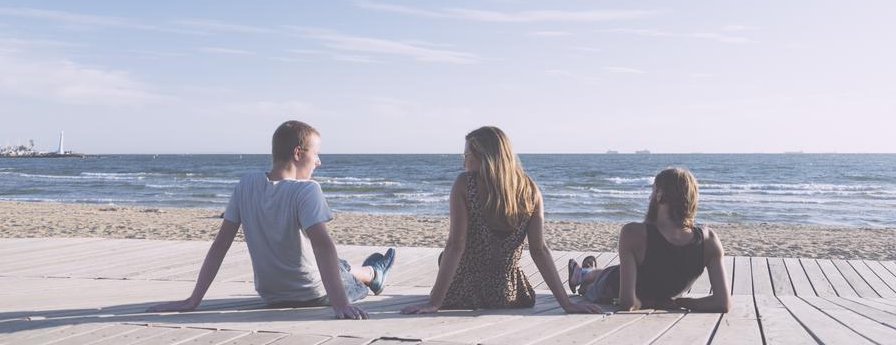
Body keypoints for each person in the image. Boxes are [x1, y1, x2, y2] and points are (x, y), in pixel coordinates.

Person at [148, 120, 396, 319]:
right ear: (298, 153)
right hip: (312, 293)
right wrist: (340, 303)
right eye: (316, 154)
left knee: (338, 263)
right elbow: (322, 246)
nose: (319, 161)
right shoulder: (307, 190)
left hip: (270, 294)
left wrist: (194, 300)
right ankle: (374, 273)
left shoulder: (245, 184)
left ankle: (372, 269)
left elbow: (220, 245)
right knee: (340, 267)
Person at [402, 126, 602, 315]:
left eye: (466, 156)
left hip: (463, 292)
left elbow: (456, 245)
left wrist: (434, 303)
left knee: (444, 255)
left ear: (484, 157)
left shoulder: (464, 184)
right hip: (510, 294)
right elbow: (539, 250)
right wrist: (566, 304)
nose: (464, 163)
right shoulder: (530, 190)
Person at [569, 168, 730, 312]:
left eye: (652, 191)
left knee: (599, 281)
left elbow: (627, 303)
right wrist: (679, 302)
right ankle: (583, 273)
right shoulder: (709, 240)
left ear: (660, 196)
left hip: (610, 288)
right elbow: (722, 302)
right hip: (619, 279)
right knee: (609, 273)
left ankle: (583, 273)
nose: (649, 197)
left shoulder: (633, 233)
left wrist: (667, 302)